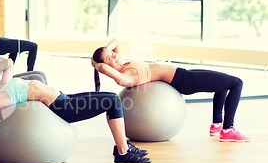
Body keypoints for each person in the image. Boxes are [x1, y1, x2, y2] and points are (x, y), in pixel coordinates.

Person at [0, 58, 152, 163]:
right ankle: (123, 152)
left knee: (110, 98)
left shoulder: (3, 85)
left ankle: (122, 147)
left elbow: (8, 62)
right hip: (62, 108)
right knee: (113, 100)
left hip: (64, 97)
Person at [91, 38, 250, 142]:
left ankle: (217, 125)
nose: (115, 56)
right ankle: (228, 129)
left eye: (112, 54)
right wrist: (98, 66)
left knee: (223, 82)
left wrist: (104, 54)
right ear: (106, 66)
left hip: (183, 73)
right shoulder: (126, 75)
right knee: (237, 83)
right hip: (184, 81)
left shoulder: (123, 63)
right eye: (110, 58)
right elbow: (118, 78)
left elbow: (116, 41)